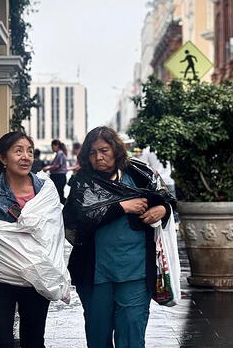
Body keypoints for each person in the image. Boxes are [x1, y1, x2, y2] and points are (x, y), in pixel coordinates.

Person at [63, 126, 176, 347]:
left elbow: (166, 199)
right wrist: (121, 207)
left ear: (116, 149)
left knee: (132, 332)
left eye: (104, 150)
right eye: (93, 153)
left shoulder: (139, 174)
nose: (99, 157)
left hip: (135, 271)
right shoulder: (82, 182)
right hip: (95, 274)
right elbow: (78, 219)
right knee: (98, 334)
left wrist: (163, 210)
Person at [0, 132, 65, 347]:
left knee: (34, 341)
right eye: (18, 151)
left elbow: (55, 234)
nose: (26, 156)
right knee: (1, 341)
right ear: (2, 158)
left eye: (29, 151)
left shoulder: (46, 190)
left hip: (37, 279)